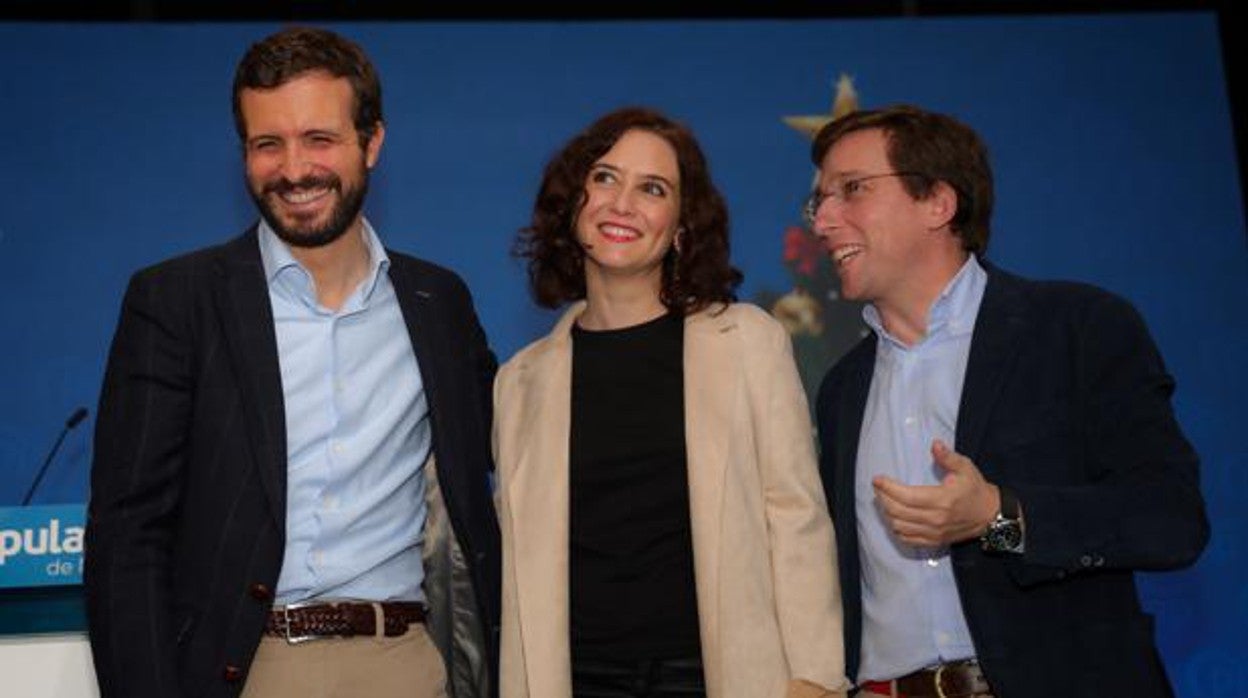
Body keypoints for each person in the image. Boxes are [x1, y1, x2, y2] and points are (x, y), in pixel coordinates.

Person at [84, 26, 500, 698]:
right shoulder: (176, 300)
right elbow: (126, 536)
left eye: (320, 139)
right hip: (246, 671)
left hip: (406, 666)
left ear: (372, 142)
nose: (294, 169)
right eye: (266, 144)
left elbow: (516, 449)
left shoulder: (437, 302)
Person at [807, 104, 1209, 697]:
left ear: (938, 203)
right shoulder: (842, 388)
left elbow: (1171, 522)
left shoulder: (1076, 328)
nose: (823, 221)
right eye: (819, 200)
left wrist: (999, 518)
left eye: (852, 190)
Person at [492, 106, 849, 698]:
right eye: (605, 178)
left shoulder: (748, 342)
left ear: (681, 226)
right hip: (576, 679)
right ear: (573, 203)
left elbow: (797, 520)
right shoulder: (520, 383)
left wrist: (814, 678)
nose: (623, 203)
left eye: (652, 188)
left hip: (718, 677)